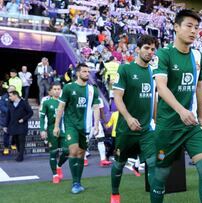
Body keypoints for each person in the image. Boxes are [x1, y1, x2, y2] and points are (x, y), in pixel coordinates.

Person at [150, 10, 202, 203]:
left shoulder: (197, 56)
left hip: (191, 124)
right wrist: (181, 110)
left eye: (197, 27)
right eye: (189, 26)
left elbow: (198, 87)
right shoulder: (163, 54)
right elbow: (161, 87)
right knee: (161, 175)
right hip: (168, 125)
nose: (194, 31)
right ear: (176, 27)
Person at [110, 34, 158, 203]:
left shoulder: (154, 73)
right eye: (146, 48)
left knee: (153, 163)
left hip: (147, 129)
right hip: (126, 128)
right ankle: (115, 193)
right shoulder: (125, 69)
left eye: (153, 49)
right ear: (137, 49)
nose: (150, 52)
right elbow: (117, 97)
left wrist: (156, 121)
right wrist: (129, 118)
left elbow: (154, 99)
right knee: (119, 163)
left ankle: (155, 199)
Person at [53, 63, 100, 194]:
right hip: (70, 125)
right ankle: (75, 183)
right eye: (84, 71)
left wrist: (96, 124)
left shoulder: (92, 90)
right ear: (78, 73)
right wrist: (56, 126)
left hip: (85, 126)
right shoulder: (68, 88)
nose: (87, 74)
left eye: (88, 72)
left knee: (81, 154)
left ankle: (78, 182)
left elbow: (96, 108)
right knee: (73, 150)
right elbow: (61, 107)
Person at [40, 83, 69, 184]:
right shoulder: (47, 102)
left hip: (64, 130)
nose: (57, 91)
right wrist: (42, 129)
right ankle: (55, 175)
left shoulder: (64, 101)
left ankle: (59, 166)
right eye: (55, 89)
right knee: (53, 153)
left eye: (59, 89)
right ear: (51, 91)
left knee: (67, 151)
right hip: (52, 130)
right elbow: (42, 117)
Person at [4, 90, 33, 162]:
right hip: (13, 126)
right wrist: (5, 126)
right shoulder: (10, 104)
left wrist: (23, 119)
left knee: (21, 141)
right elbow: (8, 115)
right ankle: (20, 152)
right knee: (16, 141)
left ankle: (20, 156)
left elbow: (30, 112)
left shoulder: (24, 103)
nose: (9, 97)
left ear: (15, 95)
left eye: (10, 96)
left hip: (22, 126)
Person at [0, 85, 16, 155]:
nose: (12, 91)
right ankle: (6, 147)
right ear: (8, 90)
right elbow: (2, 107)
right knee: (6, 133)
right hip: (5, 119)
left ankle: (13, 144)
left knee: (15, 132)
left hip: (14, 118)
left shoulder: (17, 97)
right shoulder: (3, 97)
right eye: (11, 90)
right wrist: (10, 112)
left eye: (13, 90)